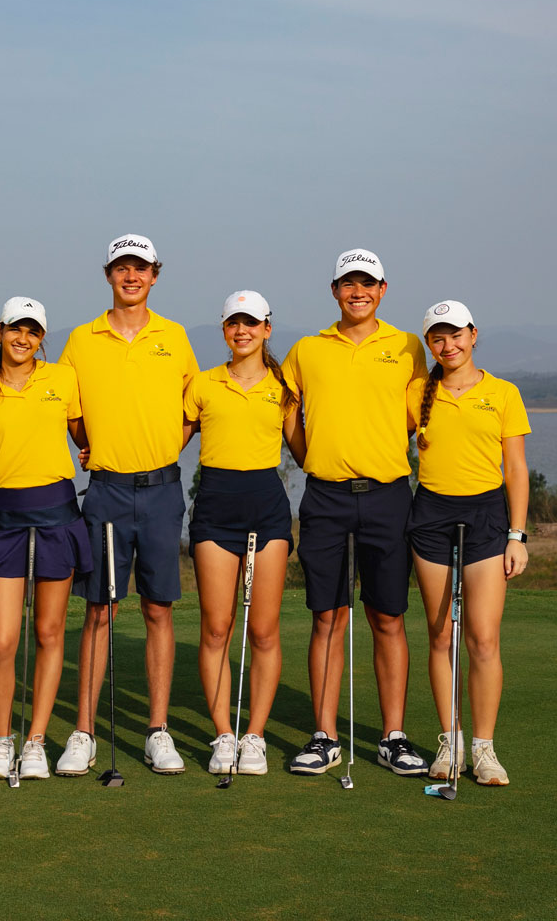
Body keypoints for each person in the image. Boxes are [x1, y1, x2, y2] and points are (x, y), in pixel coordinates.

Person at [280, 248, 430, 777]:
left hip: (389, 495)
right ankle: (324, 735)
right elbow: (290, 417)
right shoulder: (306, 350)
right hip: (325, 497)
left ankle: (393, 735)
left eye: (368, 283)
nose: (358, 292)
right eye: (348, 283)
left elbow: (417, 418)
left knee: (387, 616)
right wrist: (314, 461)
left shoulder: (409, 347)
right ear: (335, 290)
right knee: (328, 616)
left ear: (383, 289)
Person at [55, 234, 199, 776]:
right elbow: (68, 408)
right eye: (122, 269)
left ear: (155, 275)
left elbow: (192, 409)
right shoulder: (82, 338)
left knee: (159, 607)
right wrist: (89, 444)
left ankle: (157, 731)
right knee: (100, 610)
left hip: (161, 489)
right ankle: (84, 732)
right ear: (109, 275)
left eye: (140, 269)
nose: (131, 277)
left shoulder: (175, 336)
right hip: (108, 490)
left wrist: (163, 452)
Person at [0, 297, 91, 781]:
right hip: (5, 515)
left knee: (50, 632)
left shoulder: (62, 380)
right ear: (0, 329)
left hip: (57, 510)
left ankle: (34, 741)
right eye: (16, 329)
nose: (23, 338)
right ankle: (1, 740)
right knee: (1, 639)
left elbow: (84, 433)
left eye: (33, 332)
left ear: (42, 338)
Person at [408, 300, 530, 787]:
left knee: (482, 637)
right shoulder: (417, 391)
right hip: (431, 513)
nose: (448, 345)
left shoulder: (503, 393)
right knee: (440, 634)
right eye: (437, 338)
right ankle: (450, 740)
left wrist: (517, 535)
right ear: (429, 344)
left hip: (487, 517)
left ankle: (484, 747)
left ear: (473, 335)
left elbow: (516, 468)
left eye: (456, 334)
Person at [183, 290, 304, 776]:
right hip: (214, 509)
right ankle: (224, 736)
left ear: (267, 328)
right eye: (234, 322)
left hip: (268, 511)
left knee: (264, 629)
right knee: (216, 628)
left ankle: (254, 736)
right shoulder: (203, 383)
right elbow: (166, 438)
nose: (243, 330)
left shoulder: (283, 387)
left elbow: (305, 449)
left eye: (251, 323)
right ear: (225, 328)